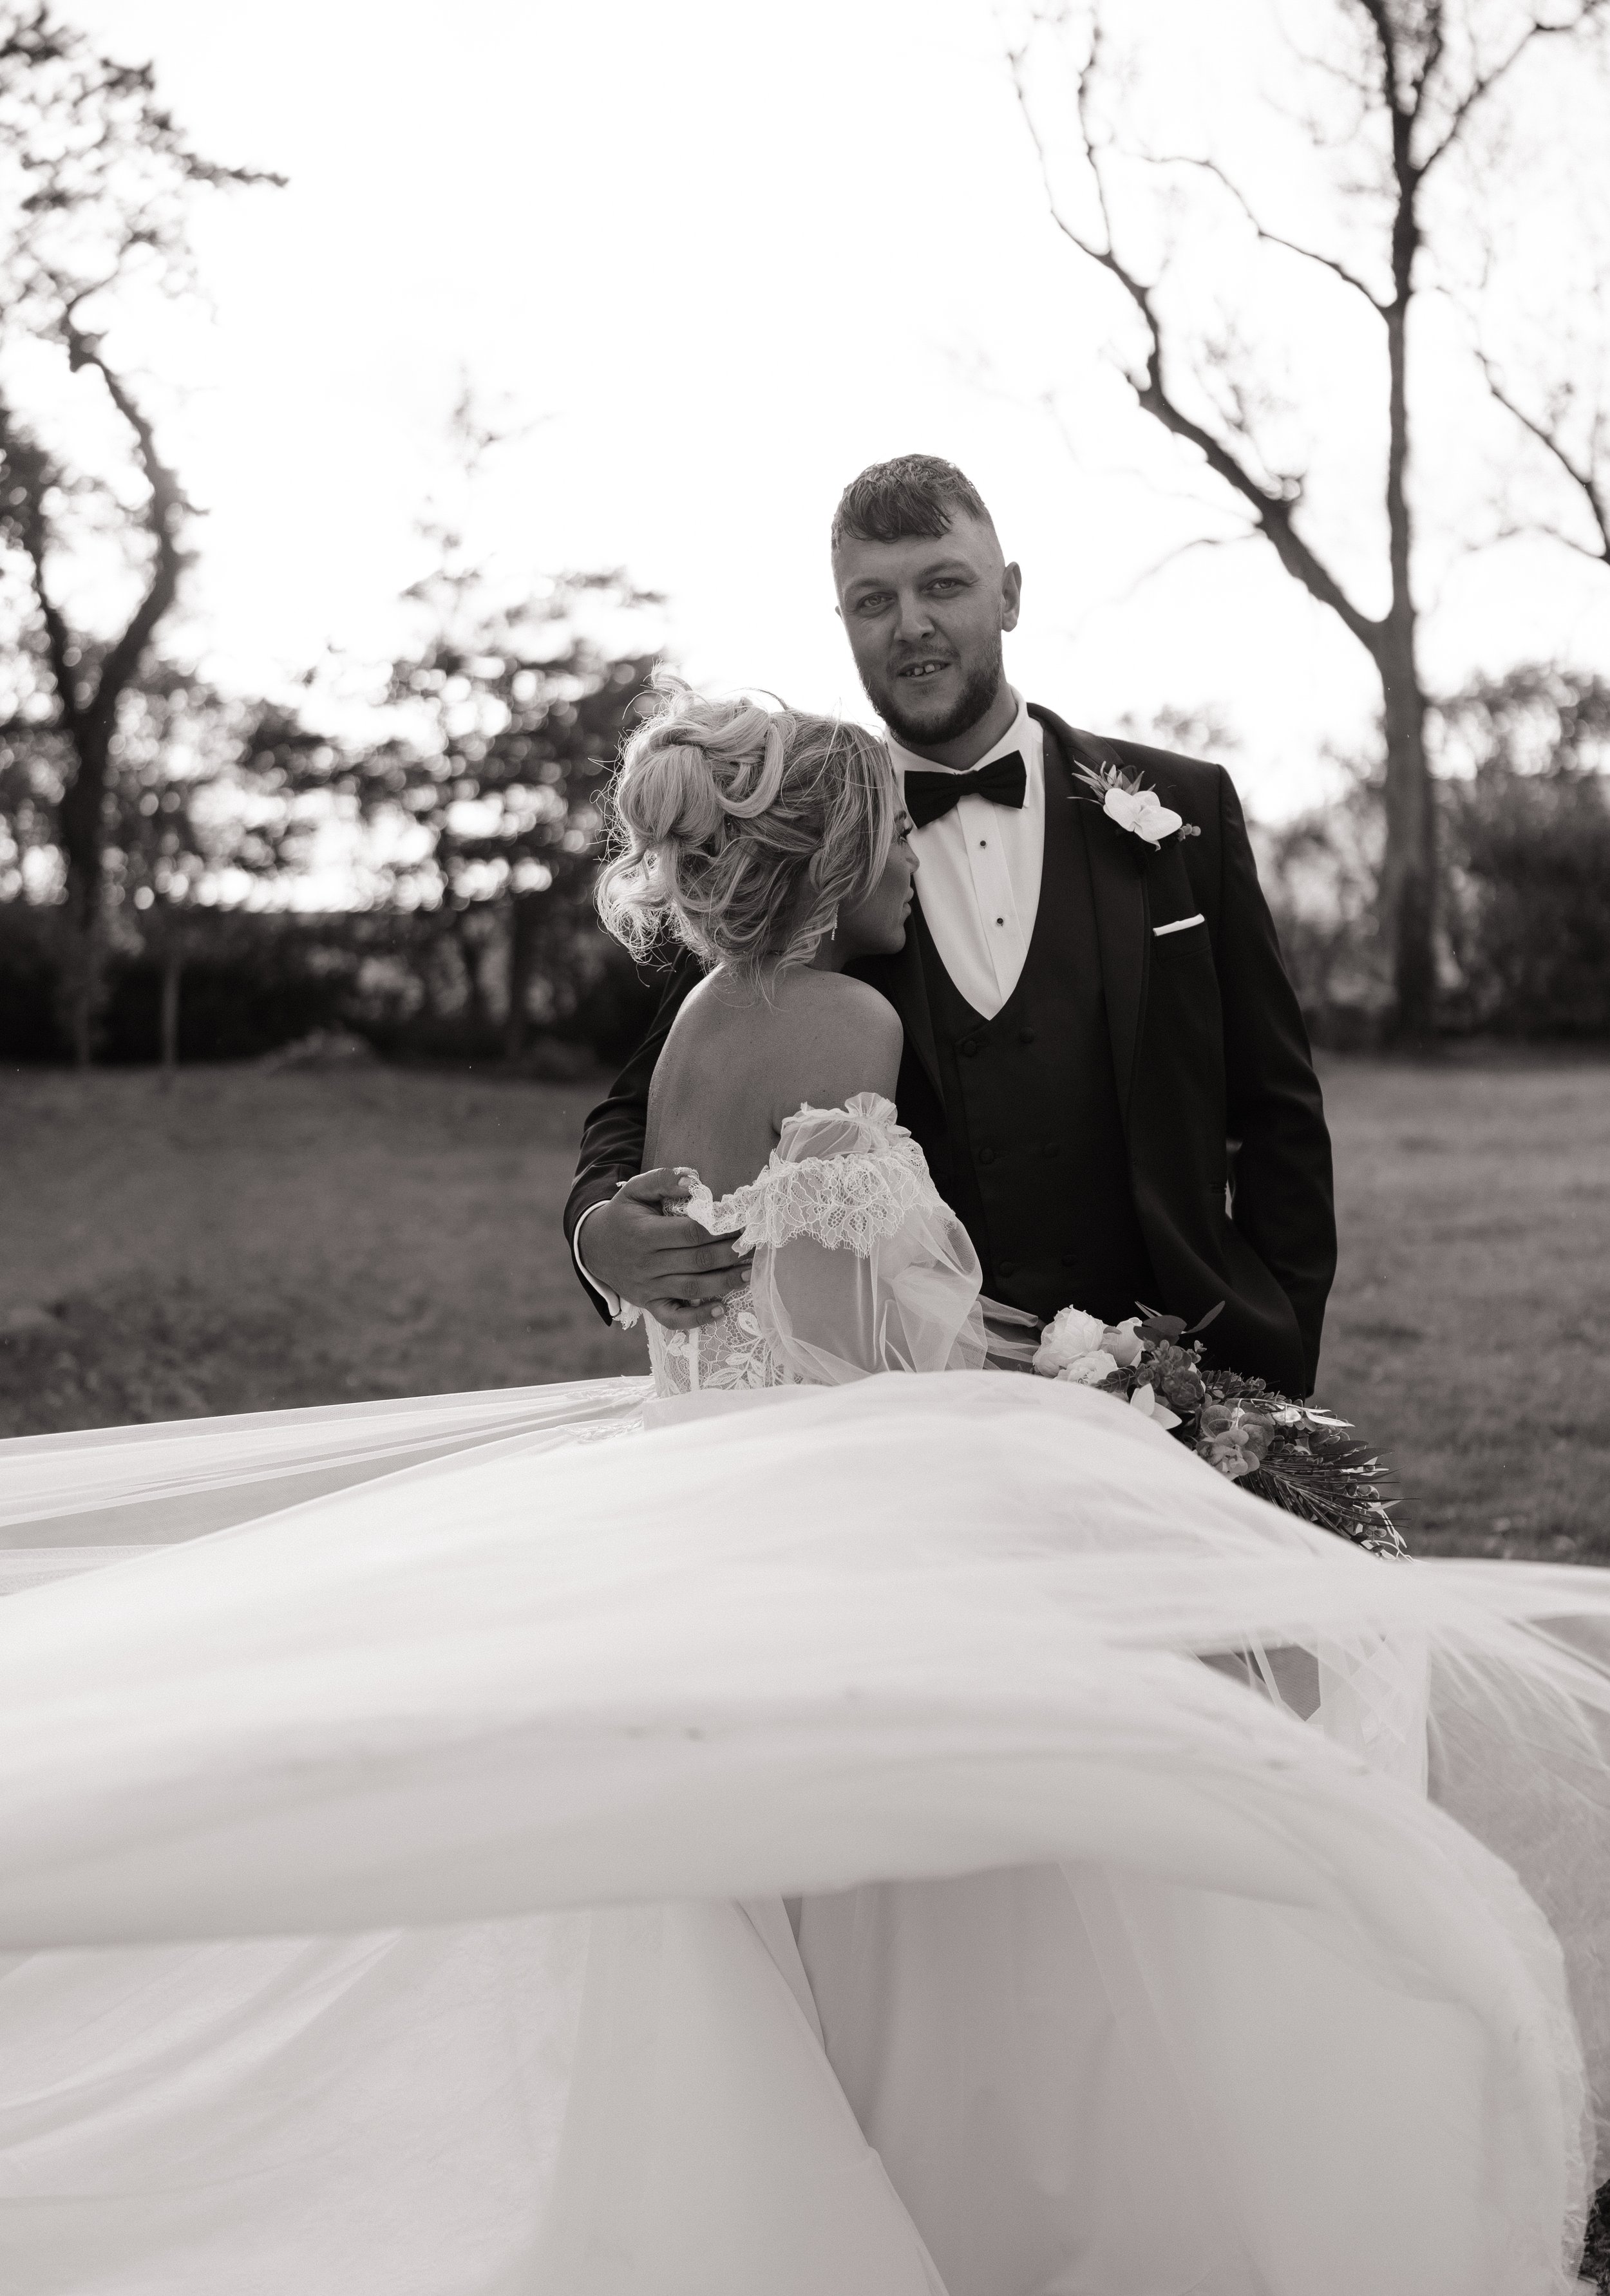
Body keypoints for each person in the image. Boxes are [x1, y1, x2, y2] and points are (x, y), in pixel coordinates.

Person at [3, 671, 1610, 2296]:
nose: (914, 865)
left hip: (718, 1484)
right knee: (1002, 1877)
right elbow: (860, 1330)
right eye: (887, 847)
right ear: (836, 852)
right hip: (844, 1504)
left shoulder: (713, 1019)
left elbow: (774, 1280)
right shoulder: (844, 1020)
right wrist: (1046, 1384)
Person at [567, 453, 1335, 1399]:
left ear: (1009, 595)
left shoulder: (1186, 806)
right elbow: (652, 1090)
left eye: (944, 585)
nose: (913, 625)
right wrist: (597, 1229)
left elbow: (1279, 1113)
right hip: (925, 1414)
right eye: (872, 600)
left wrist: (1279, 1351)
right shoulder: (804, 843)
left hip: (1183, 1376)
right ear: (842, 619)